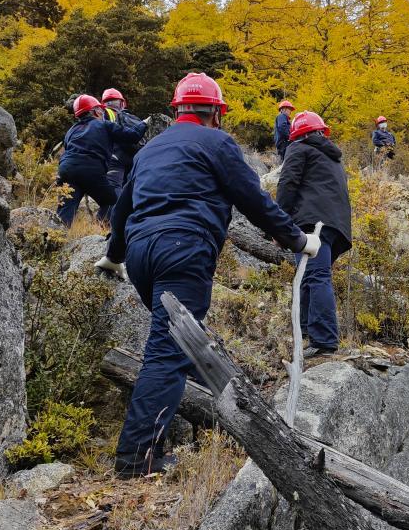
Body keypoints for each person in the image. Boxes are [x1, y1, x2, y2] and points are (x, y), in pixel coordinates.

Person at [95, 72, 321, 478]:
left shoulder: (150, 149)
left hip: (141, 255)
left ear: (177, 109)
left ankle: (214, 418)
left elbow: (122, 209)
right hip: (183, 247)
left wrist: (113, 256)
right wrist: (298, 240)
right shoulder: (217, 143)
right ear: (216, 112)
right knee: (168, 350)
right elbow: (253, 199)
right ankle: (136, 459)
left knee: (181, 341)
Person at [277, 111, 352, 358]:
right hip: (336, 227)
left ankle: (323, 340)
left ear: (297, 134)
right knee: (309, 276)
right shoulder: (332, 157)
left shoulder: (298, 148)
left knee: (316, 276)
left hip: (312, 222)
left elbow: (287, 184)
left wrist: (279, 224)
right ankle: (308, 334)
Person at [56, 94, 146, 227]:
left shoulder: (71, 131)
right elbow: (132, 136)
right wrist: (143, 124)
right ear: (95, 111)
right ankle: (101, 227)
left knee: (65, 209)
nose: (102, 111)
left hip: (66, 170)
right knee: (112, 201)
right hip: (90, 170)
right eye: (99, 109)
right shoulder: (104, 125)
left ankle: (58, 235)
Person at [100, 88, 147, 218]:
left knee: (114, 188)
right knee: (131, 189)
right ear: (123, 103)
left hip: (115, 156)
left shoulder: (106, 113)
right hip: (134, 156)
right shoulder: (132, 118)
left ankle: (107, 220)